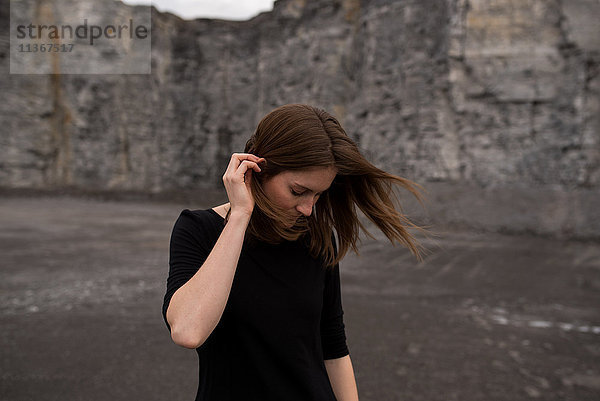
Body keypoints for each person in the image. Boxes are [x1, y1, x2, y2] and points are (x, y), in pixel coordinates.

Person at [162, 104, 429, 401]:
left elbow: (333, 347)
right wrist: (239, 215)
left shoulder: (317, 237)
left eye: (318, 194)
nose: (308, 208)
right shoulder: (199, 230)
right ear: (258, 169)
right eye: (298, 191)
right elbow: (187, 331)